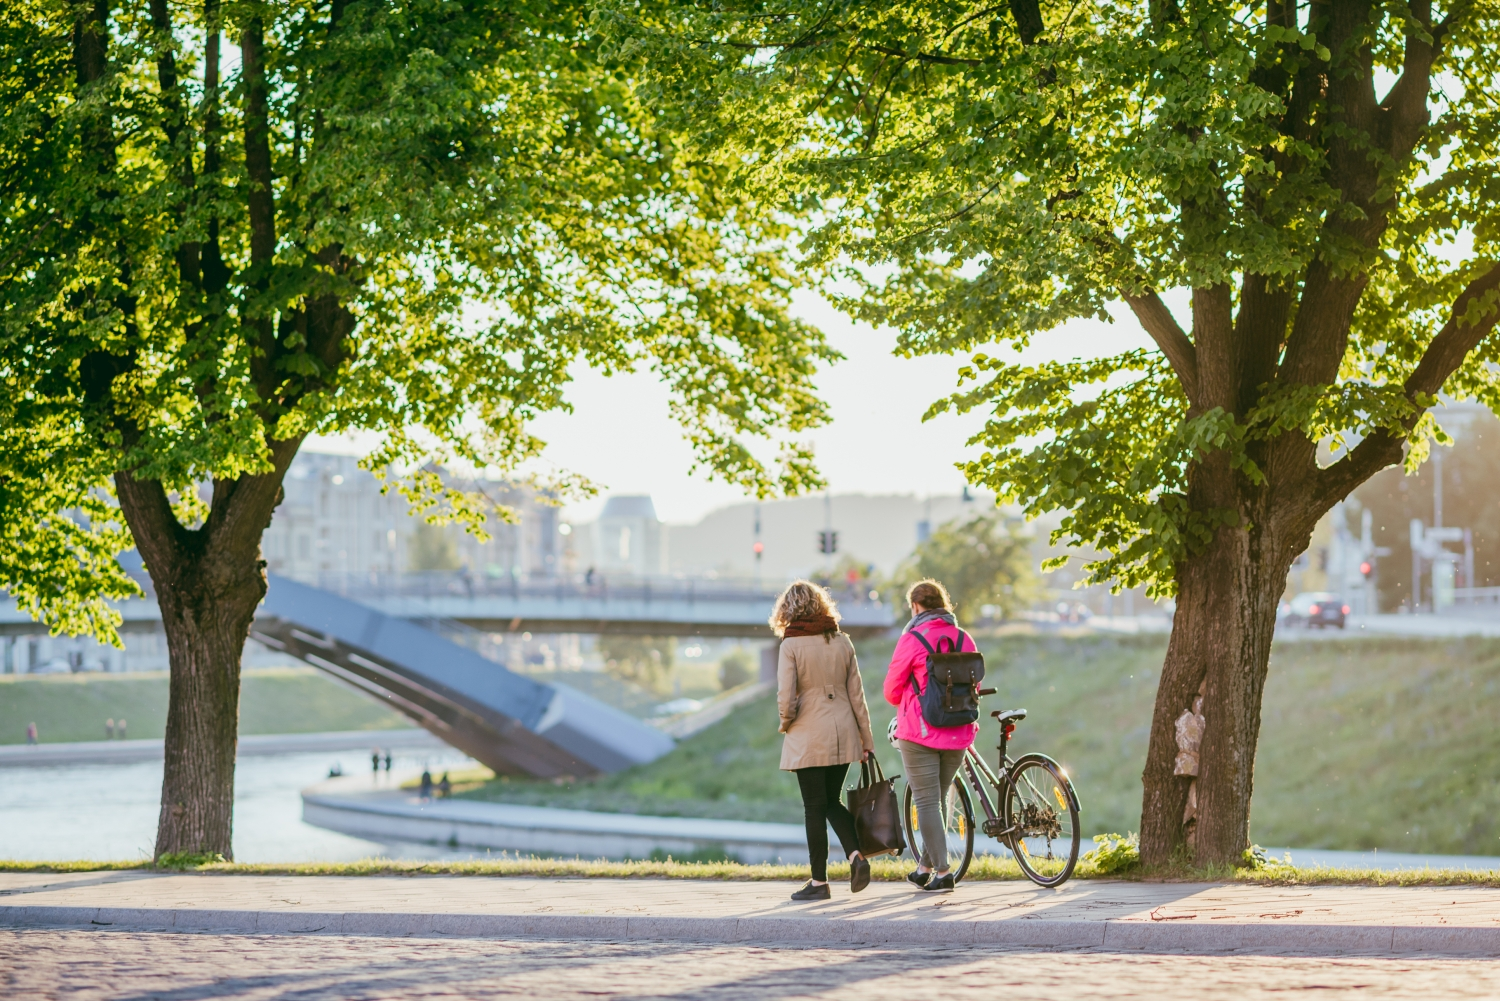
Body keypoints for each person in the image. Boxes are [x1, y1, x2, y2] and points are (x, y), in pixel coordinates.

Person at [772, 579, 876, 902]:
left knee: (813, 808)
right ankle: (856, 856)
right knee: (832, 801)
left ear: (788, 609)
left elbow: (786, 698)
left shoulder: (790, 645)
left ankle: (819, 882)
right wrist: (866, 739)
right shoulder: (843, 642)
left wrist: (786, 722)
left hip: (808, 734)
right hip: (844, 730)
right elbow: (857, 696)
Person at [884, 579, 980, 893]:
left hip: (921, 732)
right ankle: (925, 867)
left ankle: (943, 872)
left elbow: (891, 691)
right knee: (935, 800)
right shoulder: (964, 638)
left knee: (926, 802)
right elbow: (973, 685)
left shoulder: (912, 639)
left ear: (915, 606)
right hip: (959, 731)